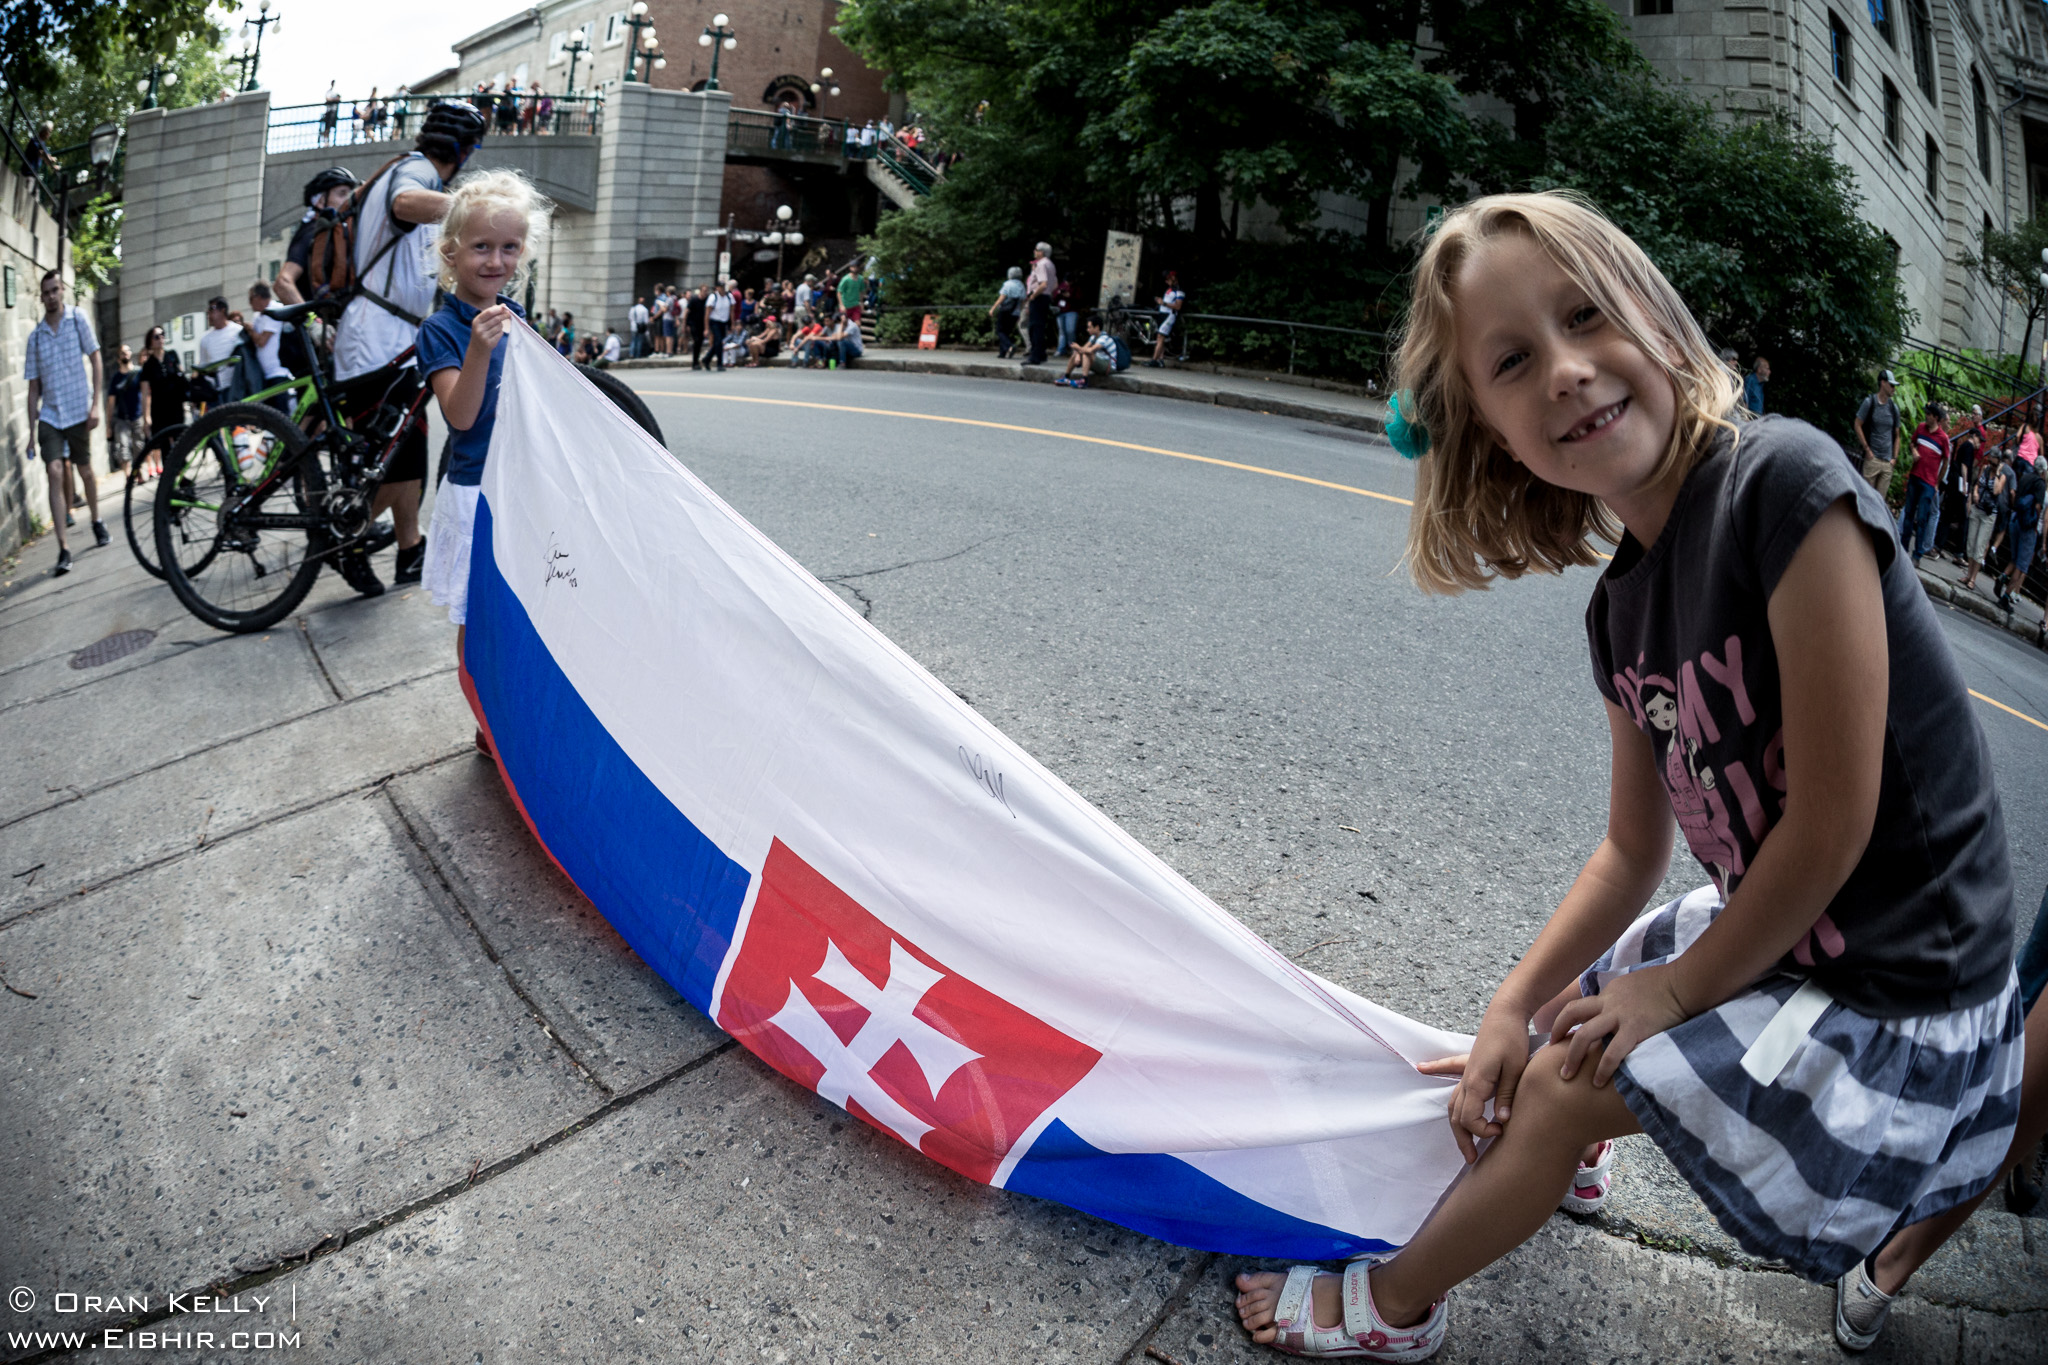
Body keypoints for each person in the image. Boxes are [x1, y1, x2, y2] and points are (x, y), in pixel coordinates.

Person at [1232, 192, 2022, 1362]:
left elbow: (1831, 825)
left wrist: (1669, 996)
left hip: (1894, 995)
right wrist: (1509, 1008)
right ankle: (1577, 1141)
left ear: (1653, 318)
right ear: (1493, 429)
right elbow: (1627, 852)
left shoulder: (1782, 484)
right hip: (1798, 930)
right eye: (1511, 361)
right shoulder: (1618, 613)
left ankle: (1394, 1309)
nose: (1564, 370)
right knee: (1567, 1011)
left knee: (1560, 1081)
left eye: (1584, 316)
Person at [332, 99, 491, 595]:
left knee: (404, 450)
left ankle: (409, 549)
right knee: (400, 455)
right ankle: (344, 538)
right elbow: (405, 204)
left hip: (387, 333)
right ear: (464, 150)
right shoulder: (417, 171)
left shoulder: (406, 167)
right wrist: (478, 210)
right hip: (377, 337)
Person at [416, 169, 547, 757]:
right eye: (481, 247)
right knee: (482, 618)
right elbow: (461, 417)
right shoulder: (442, 329)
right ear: (452, 253)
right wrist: (477, 347)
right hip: (475, 494)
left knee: (522, 612)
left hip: (521, 488)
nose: (496, 261)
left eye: (509, 247)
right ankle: (485, 719)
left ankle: (512, 710)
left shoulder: (515, 315)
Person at [24, 269, 105, 575]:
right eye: (46, 292)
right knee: (55, 470)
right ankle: (63, 548)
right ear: (41, 297)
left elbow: (96, 358)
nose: (51, 296)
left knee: (85, 470)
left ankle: (96, 520)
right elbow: (33, 388)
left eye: (55, 290)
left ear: (62, 291)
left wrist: (95, 405)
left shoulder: (77, 319)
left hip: (78, 409)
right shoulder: (35, 338)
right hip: (50, 415)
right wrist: (31, 433)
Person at [272, 166, 361, 311]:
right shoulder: (312, 232)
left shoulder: (335, 233)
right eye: (342, 194)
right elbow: (282, 283)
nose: (347, 200)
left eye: (349, 194)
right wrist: (311, 320)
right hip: (320, 322)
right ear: (320, 201)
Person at [1899, 401, 1947, 566]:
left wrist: (1937, 483)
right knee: (1909, 514)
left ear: (1935, 418)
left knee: (1922, 518)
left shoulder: (1943, 438)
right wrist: (1914, 451)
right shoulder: (1920, 428)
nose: (1926, 416)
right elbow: (1912, 442)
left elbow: (1946, 461)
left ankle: (1917, 554)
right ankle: (1903, 549)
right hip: (1915, 476)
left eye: (1929, 414)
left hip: (1929, 482)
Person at [1998, 446, 2046, 611]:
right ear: (2043, 470)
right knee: (2022, 564)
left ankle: (2002, 576)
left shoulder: (2025, 477)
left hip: (2016, 520)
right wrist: (2034, 524)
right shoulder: (2040, 484)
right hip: (2028, 526)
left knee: (2015, 557)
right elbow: (2038, 507)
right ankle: (2006, 596)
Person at [1965, 449, 2011, 593]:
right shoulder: (1984, 469)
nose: (1991, 464)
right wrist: (1975, 493)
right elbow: (1977, 484)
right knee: (1971, 543)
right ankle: (1968, 574)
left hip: (1988, 515)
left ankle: (1973, 578)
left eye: (1994, 462)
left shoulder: (2002, 476)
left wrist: (1997, 473)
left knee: (1980, 546)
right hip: (1977, 508)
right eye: (1990, 460)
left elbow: (1997, 491)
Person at [136, 325, 180, 477]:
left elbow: (180, 378)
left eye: (162, 335)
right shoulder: (148, 366)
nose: (160, 338)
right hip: (159, 409)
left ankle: (181, 473)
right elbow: (145, 393)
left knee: (180, 440)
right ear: (150, 341)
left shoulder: (172, 356)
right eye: (156, 336)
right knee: (165, 445)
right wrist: (146, 417)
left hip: (175, 406)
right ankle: (171, 478)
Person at [1940, 405, 1982, 560]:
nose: (1980, 443)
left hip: (1954, 484)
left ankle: (1939, 545)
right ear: (1974, 436)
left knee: (1948, 515)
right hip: (1959, 486)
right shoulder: (1969, 447)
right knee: (1963, 519)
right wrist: (1965, 486)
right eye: (1979, 440)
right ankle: (1958, 552)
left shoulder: (1964, 446)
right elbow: (1964, 466)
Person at [245, 282, 295, 411]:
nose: (249, 303)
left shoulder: (274, 310)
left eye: (250, 299)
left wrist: (250, 330)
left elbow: (262, 341)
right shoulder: (258, 316)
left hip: (278, 372)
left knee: (280, 413)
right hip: (264, 374)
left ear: (258, 297)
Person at [1854, 371, 1902, 497]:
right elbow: (1857, 424)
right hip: (1872, 459)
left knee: (1880, 501)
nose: (1893, 389)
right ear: (1883, 383)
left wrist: (1894, 458)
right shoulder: (1870, 402)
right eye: (1891, 385)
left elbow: (1897, 435)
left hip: (1887, 463)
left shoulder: (1893, 408)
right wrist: (1867, 449)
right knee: (1866, 497)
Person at [105, 344, 145, 479]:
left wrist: (147, 416)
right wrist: (108, 425)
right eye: (122, 353)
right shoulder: (116, 378)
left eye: (127, 351)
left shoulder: (139, 373)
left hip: (137, 416)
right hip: (121, 418)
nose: (125, 354)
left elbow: (146, 395)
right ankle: (128, 475)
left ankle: (138, 471)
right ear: (118, 358)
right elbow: (111, 402)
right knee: (123, 447)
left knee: (139, 446)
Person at [195, 294, 245, 401]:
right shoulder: (205, 339)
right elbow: (203, 365)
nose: (209, 314)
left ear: (223, 310)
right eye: (207, 311)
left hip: (238, 388)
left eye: (212, 309)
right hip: (217, 392)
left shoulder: (238, 331)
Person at [1055, 314, 1125, 388]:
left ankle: (1084, 380)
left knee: (1087, 354)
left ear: (1097, 327)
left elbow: (1091, 350)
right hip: (1100, 363)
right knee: (1078, 353)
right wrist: (1078, 354)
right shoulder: (1093, 337)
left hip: (1109, 367)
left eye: (1089, 327)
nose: (1087, 329)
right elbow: (1084, 348)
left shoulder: (1104, 338)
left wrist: (1078, 348)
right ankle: (1066, 376)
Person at [1024, 241, 1056, 364]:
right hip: (1046, 297)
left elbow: (1043, 284)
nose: (1034, 252)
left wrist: (1033, 296)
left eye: (1036, 250)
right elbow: (1054, 284)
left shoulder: (1041, 264)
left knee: (1034, 327)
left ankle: (1035, 356)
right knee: (1040, 326)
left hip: (1038, 297)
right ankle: (1041, 354)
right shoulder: (1050, 264)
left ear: (1041, 252)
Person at [1148, 270, 1184, 368]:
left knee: (1160, 336)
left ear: (1173, 278)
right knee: (1159, 338)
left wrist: (1163, 303)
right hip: (1162, 314)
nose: (1166, 281)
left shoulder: (1179, 291)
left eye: (1168, 279)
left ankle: (1154, 360)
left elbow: (1178, 306)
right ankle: (1160, 360)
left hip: (1170, 316)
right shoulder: (1169, 289)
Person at [990, 266, 1025, 360]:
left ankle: (1009, 346)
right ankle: (1002, 353)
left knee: (1000, 330)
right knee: (1006, 332)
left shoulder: (1008, 284)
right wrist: (1020, 312)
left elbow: (1002, 298)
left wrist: (993, 308)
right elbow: (1023, 301)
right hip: (1015, 312)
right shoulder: (1022, 286)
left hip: (1005, 311)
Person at [706, 281, 734, 371]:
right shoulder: (713, 297)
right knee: (718, 342)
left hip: (724, 322)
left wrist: (732, 324)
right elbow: (707, 313)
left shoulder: (729, 296)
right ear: (717, 288)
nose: (722, 289)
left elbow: (731, 311)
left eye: (723, 287)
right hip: (715, 322)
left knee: (718, 343)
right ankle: (719, 363)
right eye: (720, 287)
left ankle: (707, 359)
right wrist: (706, 328)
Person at [686, 286, 708, 369]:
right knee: (696, 341)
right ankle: (695, 362)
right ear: (700, 291)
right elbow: (686, 312)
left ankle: (696, 361)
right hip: (693, 324)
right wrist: (685, 325)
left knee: (699, 343)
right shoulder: (694, 300)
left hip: (702, 325)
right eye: (704, 291)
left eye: (706, 291)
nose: (705, 293)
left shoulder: (707, 300)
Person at [319, 81, 340, 147]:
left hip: (333, 111)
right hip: (329, 111)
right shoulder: (329, 92)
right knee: (327, 127)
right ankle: (326, 141)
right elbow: (328, 99)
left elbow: (338, 99)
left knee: (331, 127)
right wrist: (334, 99)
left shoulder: (336, 91)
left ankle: (330, 141)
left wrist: (333, 99)